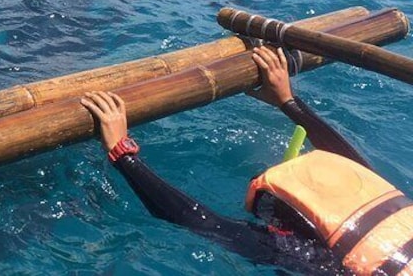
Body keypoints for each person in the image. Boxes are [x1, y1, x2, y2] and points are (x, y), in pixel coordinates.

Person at [81, 45, 413, 275]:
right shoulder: (387, 214)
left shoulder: (311, 258)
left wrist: (122, 152)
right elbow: (353, 167)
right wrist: (288, 101)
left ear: (285, 228)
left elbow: (201, 222)